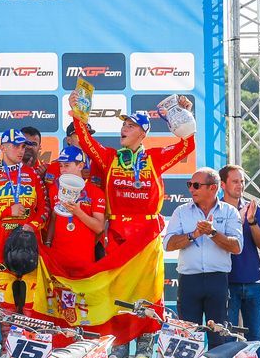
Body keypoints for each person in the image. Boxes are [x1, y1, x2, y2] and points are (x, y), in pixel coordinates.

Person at [67, 96, 194, 251]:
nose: (124, 129)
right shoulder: (110, 158)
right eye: (124, 125)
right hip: (117, 235)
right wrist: (78, 112)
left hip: (147, 234)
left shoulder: (154, 158)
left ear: (142, 134)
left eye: (131, 126)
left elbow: (186, 147)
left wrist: (185, 118)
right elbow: (85, 139)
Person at [163, 167, 242, 346]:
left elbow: (237, 247)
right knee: (188, 339)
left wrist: (213, 233)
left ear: (213, 188)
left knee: (219, 338)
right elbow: (168, 244)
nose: (191, 189)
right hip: (189, 281)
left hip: (217, 280)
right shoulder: (181, 211)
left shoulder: (230, 212)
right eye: (189, 184)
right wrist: (194, 235)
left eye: (196, 185)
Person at [0, 130, 45, 316]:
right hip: (1, 247)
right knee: (7, 305)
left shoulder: (32, 174)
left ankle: (28, 335)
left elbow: (44, 211)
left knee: (31, 303)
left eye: (23, 146)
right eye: (15, 146)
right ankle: (7, 337)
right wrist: (6, 211)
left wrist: (32, 225)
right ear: (3, 148)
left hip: (30, 247)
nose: (21, 150)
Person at [220, 163, 260, 358]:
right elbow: (220, 242)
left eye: (242, 181)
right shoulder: (217, 210)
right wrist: (238, 221)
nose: (240, 185)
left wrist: (251, 222)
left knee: (255, 337)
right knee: (228, 337)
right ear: (223, 185)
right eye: (235, 181)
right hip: (227, 282)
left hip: (253, 281)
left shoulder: (252, 207)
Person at [43, 146, 105, 270]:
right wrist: (48, 243)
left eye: (67, 165)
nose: (62, 170)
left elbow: (99, 228)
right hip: (57, 259)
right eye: (60, 166)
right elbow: (54, 219)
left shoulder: (95, 192)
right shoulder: (54, 189)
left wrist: (78, 212)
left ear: (80, 166)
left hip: (83, 260)